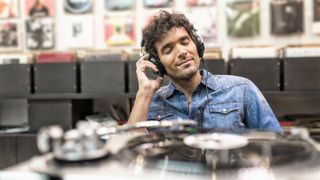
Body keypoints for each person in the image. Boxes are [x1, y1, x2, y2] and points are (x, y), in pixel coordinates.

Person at [127, 10, 282, 133]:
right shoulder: (151, 103)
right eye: (168, 50)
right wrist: (145, 93)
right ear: (158, 63)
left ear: (197, 46)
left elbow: (277, 145)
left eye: (185, 42)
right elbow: (128, 151)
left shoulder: (242, 90)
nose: (181, 52)